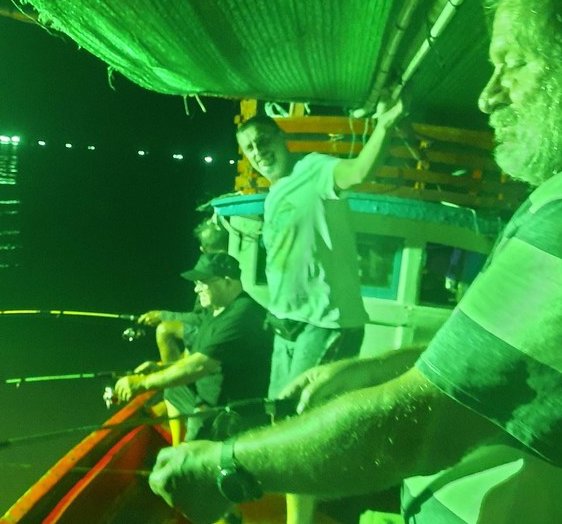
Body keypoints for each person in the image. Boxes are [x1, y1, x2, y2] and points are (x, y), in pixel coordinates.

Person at [148, 0, 562, 522]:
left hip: (321, 325)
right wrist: (377, 368)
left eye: (512, 61)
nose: (487, 93)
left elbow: (422, 424)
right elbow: (517, 366)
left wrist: (226, 466)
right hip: (290, 324)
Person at [235, 91, 404, 523]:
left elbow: (359, 171)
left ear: (281, 138)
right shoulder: (273, 195)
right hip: (288, 325)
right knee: (281, 417)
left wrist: (383, 126)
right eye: (249, 149)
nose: (258, 153)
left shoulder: (315, 169)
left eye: (263, 141)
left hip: (327, 323)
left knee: (300, 424)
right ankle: (319, 503)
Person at [115, 252, 273, 444]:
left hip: (227, 408)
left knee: (188, 459)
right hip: (207, 393)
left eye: (202, 282)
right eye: (195, 283)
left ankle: (188, 450)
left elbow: (198, 366)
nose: (196, 289)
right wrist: (162, 370)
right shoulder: (216, 310)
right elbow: (195, 357)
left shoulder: (242, 314)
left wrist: (142, 383)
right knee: (172, 391)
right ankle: (176, 444)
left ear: (227, 281)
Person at [137, 218, 231, 368]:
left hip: (216, 331)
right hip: (216, 327)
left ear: (203, 249)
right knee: (186, 341)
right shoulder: (232, 264)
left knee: (165, 330)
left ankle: (176, 386)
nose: (196, 288)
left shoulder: (210, 271)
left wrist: (162, 316)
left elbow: (203, 318)